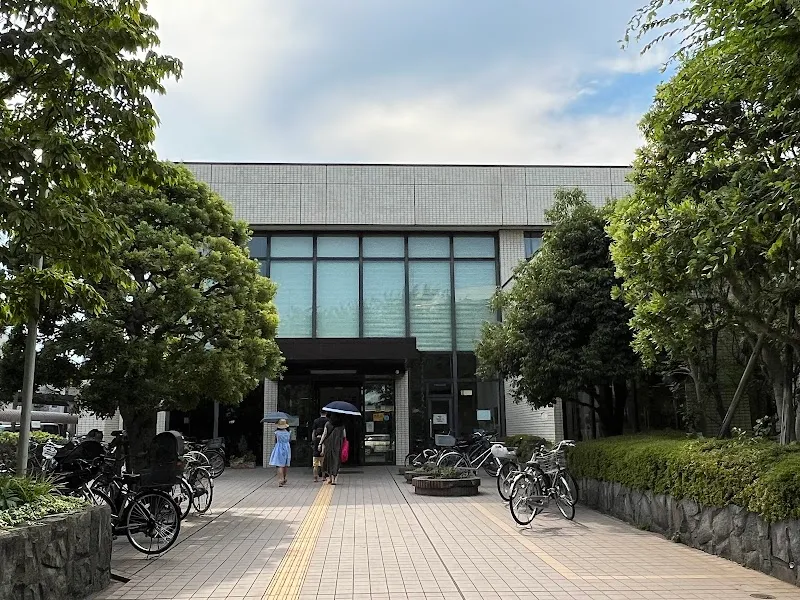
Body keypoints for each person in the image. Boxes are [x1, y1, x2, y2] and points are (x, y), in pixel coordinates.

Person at [318, 414, 346, 485]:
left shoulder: (328, 424)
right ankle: (334, 479)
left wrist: (320, 443)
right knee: (336, 461)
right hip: (338, 445)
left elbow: (324, 434)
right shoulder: (341, 425)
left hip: (328, 445)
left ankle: (330, 478)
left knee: (329, 461)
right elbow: (344, 436)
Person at [269, 419, 291, 487]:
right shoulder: (289, 432)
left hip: (279, 447)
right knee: (285, 464)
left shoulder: (276, 432)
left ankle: (280, 480)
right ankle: (284, 478)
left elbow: (276, 440)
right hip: (287, 447)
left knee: (279, 464)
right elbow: (289, 440)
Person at [311, 411, 328, 483]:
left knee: (315, 465)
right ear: (326, 413)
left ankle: (315, 477)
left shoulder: (316, 421)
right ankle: (324, 476)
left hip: (315, 450)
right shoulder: (328, 421)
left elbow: (313, 431)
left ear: (320, 413)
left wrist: (313, 439)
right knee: (323, 463)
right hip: (325, 441)